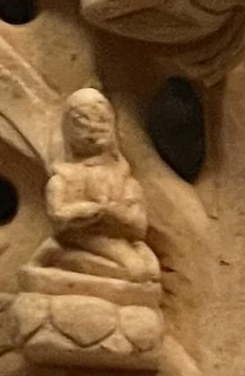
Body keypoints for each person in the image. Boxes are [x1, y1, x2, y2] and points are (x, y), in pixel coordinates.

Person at [39, 89, 157, 285]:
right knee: (136, 270)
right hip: (81, 238)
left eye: (101, 120)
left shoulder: (123, 177)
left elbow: (139, 226)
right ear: (68, 130)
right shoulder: (64, 177)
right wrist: (88, 210)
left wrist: (115, 213)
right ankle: (58, 258)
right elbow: (58, 215)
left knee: (152, 268)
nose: (93, 129)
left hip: (118, 237)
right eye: (81, 122)